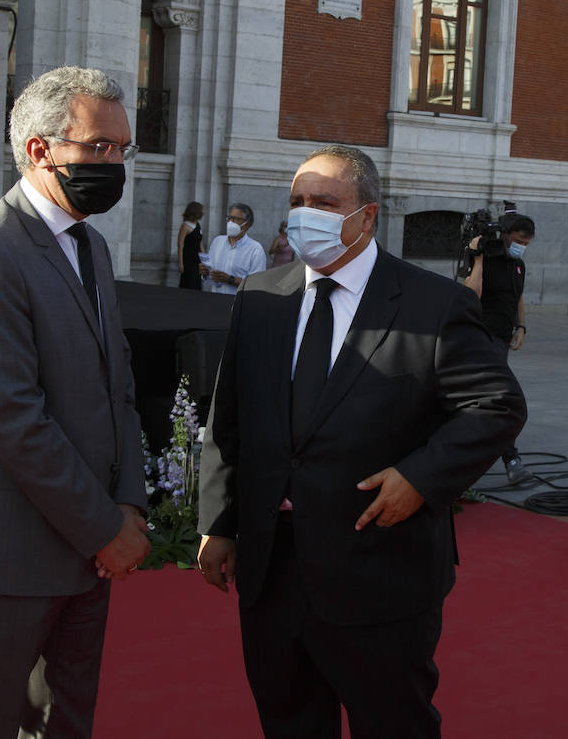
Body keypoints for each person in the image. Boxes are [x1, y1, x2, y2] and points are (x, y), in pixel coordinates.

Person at [197, 144, 526, 738]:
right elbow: (232, 419)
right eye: (297, 202)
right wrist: (218, 524)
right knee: (289, 721)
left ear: (367, 216)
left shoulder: (434, 303)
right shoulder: (261, 297)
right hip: (274, 570)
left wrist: (423, 478)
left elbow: (496, 406)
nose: (306, 215)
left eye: (324, 202)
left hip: (380, 569)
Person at [0, 67, 151, 738]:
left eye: (121, 150)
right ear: (39, 150)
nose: (113, 164)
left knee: (63, 723)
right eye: (98, 148)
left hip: (88, 552)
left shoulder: (93, 248)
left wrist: (127, 505)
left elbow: (118, 390)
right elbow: (10, 418)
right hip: (10, 555)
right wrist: (105, 529)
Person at [463, 213, 536, 484]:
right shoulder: (486, 259)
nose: (521, 246)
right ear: (505, 235)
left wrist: (521, 327)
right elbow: (471, 294)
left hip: (503, 339)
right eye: (518, 240)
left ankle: (488, 461)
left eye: (526, 242)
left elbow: (517, 297)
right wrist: (478, 258)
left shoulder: (517, 265)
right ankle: (512, 461)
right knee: (502, 398)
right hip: (482, 337)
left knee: (491, 400)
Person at [201, 202, 267, 294]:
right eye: (229, 218)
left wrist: (230, 279)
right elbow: (211, 274)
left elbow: (256, 284)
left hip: (238, 303)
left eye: (236, 219)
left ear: (247, 224)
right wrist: (205, 272)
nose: (231, 222)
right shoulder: (217, 242)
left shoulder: (255, 249)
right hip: (215, 299)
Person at [178, 202, 205, 289]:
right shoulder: (185, 226)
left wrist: (205, 259)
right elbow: (180, 245)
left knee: (197, 283)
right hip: (188, 260)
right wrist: (180, 263)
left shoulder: (198, 225)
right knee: (189, 282)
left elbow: (200, 243)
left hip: (197, 260)